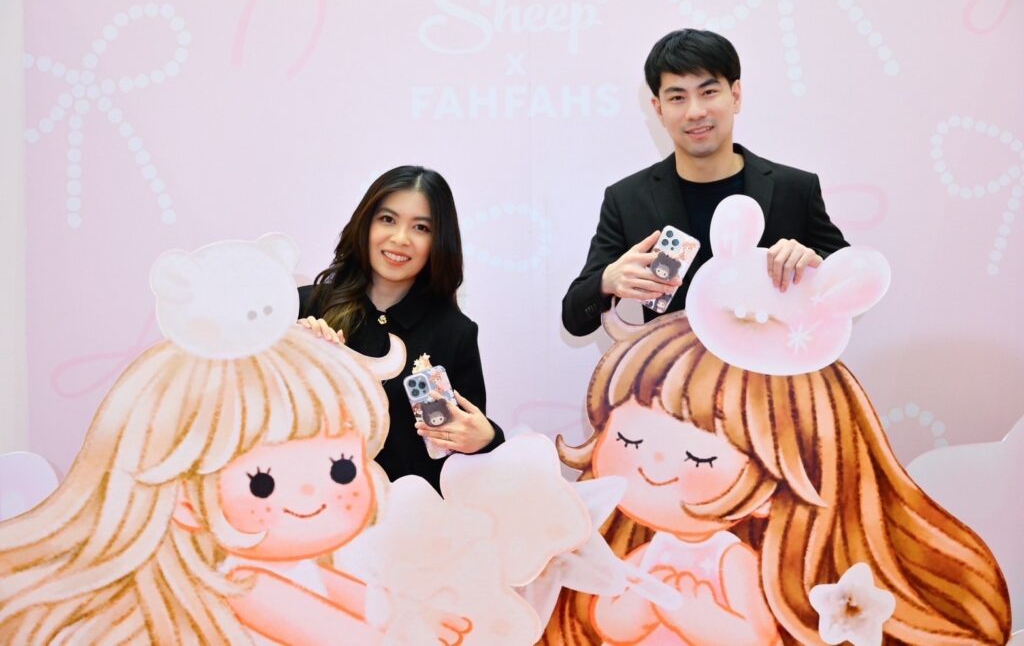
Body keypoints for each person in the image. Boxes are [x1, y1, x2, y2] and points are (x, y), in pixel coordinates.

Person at [540, 310, 1012, 645]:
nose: (653, 463)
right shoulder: (648, 552)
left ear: (775, 489)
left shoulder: (730, 559)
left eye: (699, 458)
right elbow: (608, 620)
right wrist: (637, 610)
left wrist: (688, 615)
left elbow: (753, 635)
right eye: (630, 441)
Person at [0, 325, 478, 645]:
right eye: (262, 483)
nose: (311, 495)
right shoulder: (243, 583)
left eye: (340, 469)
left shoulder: (297, 565)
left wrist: (411, 613)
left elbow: (360, 599)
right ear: (185, 498)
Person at [562, 29, 849, 336]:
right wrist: (606, 282)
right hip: (677, 365)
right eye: (677, 98)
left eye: (708, 92)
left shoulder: (795, 188)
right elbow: (575, 319)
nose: (695, 112)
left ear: (735, 96)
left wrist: (815, 263)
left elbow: (848, 279)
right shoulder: (627, 199)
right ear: (658, 109)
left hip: (773, 363)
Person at [299, 165, 504, 492]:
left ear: (439, 241)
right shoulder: (307, 307)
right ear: (366, 223)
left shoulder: (455, 333)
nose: (400, 239)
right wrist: (292, 351)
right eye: (388, 219)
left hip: (408, 514)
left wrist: (488, 438)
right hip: (309, 503)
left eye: (420, 227)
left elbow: (465, 443)